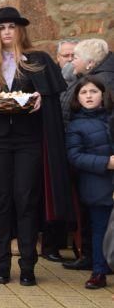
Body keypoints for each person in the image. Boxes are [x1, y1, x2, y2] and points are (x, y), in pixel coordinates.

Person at [0, 7, 71, 286]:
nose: (7, 31)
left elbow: (50, 100)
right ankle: (1, 264)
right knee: (0, 200)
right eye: (2, 27)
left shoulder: (39, 60)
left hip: (28, 140)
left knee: (26, 200)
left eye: (12, 26)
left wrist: (40, 99)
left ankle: (27, 265)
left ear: (21, 30)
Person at [62, 38, 114, 271]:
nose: (90, 96)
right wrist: (105, 163)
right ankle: (98, 269)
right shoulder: (78, 125)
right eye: (85, 93)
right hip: (95, 179)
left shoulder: (108, 116)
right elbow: (75, 154)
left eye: (94, 92)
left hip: (105, 181)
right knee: (98, 226)